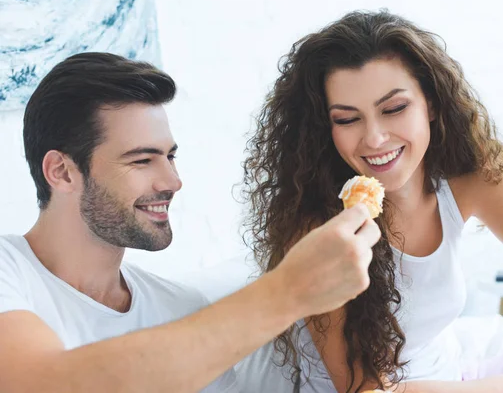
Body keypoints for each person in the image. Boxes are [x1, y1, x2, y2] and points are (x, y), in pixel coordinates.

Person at [241, 10, 503, 392]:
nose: (375, 138)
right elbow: (364, 389)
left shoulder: (473, 180)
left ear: (430, 103)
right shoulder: (320, 224)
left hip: (455, 376)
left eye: (394, 109)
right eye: (348, 119)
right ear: (325, 128)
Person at [0, 52, 381, 393]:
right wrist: (290, 290)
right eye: (142, 160)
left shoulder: (179, 307)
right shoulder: (9, 273)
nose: (172, 181)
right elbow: (39, 382)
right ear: (62, 172)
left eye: (170, 156)